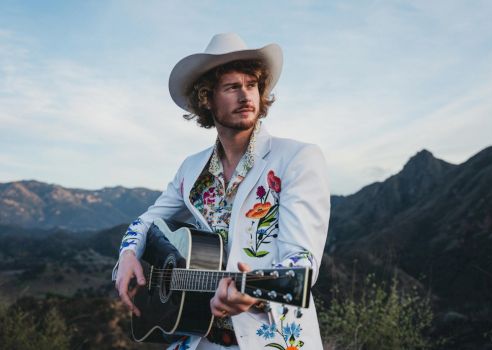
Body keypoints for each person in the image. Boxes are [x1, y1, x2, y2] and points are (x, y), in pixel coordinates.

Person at [113, 33, 330, 350]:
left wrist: (252, 294)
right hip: (198, 339)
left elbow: (301, 264)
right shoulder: (191, 168)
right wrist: (128, 253)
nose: (246, 95)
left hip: (273, 340)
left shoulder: (297, 158)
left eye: (251, 84)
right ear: (207, 99)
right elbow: (149, 220)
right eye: (232, 87)